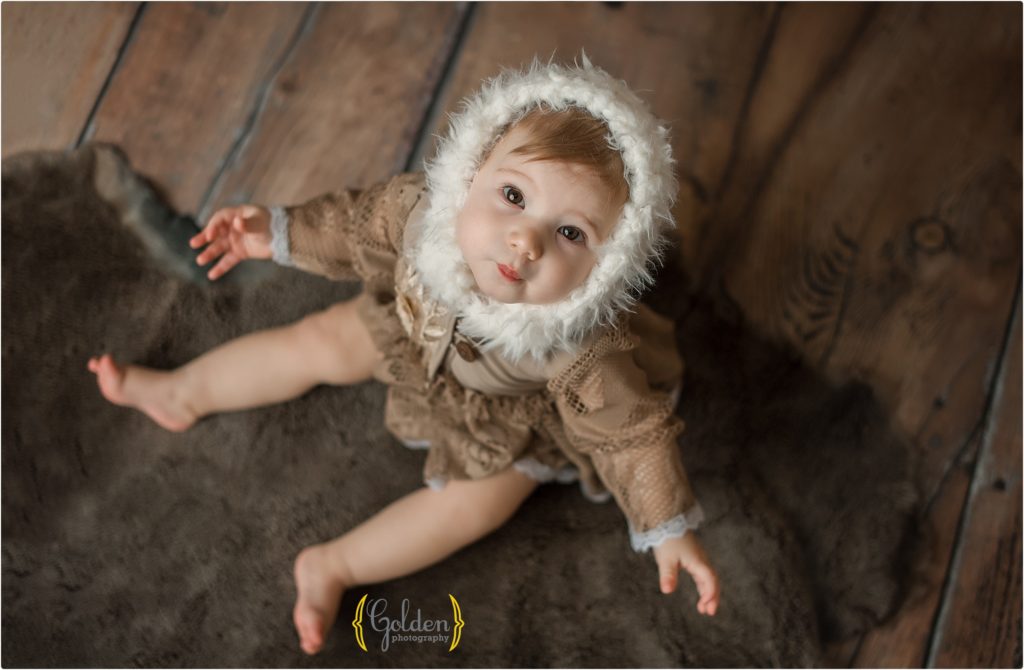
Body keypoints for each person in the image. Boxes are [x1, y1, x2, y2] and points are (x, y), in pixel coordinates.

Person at [88, 55, 721, 656]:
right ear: (471, 171)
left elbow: (629, 433)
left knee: (478, 503)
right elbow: (350, 225)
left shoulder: (581, 346)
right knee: (320, 339)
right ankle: (183, 392)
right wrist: (275, 231)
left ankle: (333, 566)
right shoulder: (419, 214)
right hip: (412, 327)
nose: (525, 240)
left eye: (570, 233)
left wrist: (667, 525)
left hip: (511, 407)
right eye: (513, 196)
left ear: (605, 268)